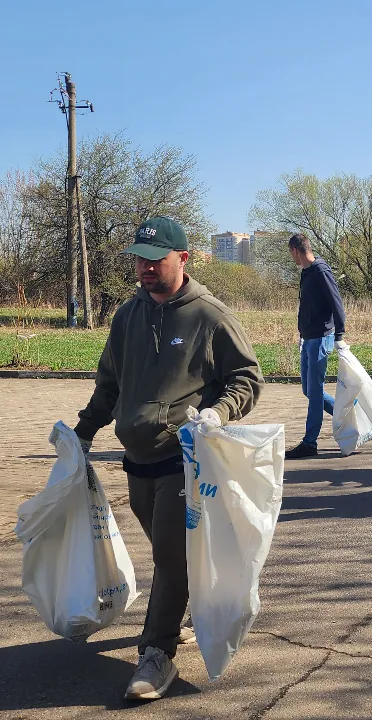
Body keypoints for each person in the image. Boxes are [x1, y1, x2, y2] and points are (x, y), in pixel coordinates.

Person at [73, 216, 264, 701]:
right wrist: (83, 431)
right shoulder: (127, 316)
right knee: (165, 551)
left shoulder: (209, 316)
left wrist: (218, 413)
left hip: (185, 460)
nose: (145, 268)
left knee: (173, 558)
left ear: (183, 259)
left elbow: (247, 377)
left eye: (155, 259)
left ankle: (156, 656)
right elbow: (110, 384)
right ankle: (174, 615)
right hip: (136, 460)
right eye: (140, 258)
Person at [285, 233, 348, 459]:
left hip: (321, 338)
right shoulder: (307, 272)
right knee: (309, 390)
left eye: (290, 253)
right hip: (309, 337)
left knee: (314, 392)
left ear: (295, 250)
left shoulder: (321, 270)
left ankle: (310, 443)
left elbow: (336, 301)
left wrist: (339, 334)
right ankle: (350, 415)